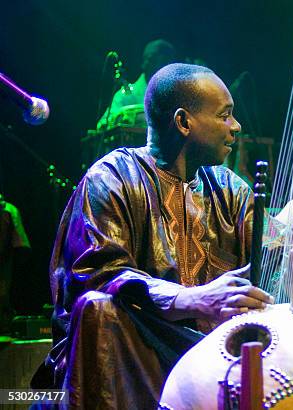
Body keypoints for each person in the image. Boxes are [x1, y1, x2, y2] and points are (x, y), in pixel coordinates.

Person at [33, 64, 274, 408]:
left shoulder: (230, 190)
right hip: (134, 350)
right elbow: (99, 275)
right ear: (184, 122)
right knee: (99, 310)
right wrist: (190, 300)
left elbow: (274, 261)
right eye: (225, 115)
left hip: (212, 352)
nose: (236, 127)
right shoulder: (112, 177)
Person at [96, 39, 177, 129]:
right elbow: (102, 126)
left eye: (167, 63)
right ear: (145, 62)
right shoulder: (125, 97)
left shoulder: (176, 99)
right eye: (154, 60)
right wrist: (132, 118)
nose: (161, 68)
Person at [0, 194, 30, 333]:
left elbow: (20, 241)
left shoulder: (8, 210)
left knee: (4, 293)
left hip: (6, 258)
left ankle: (6, 325)